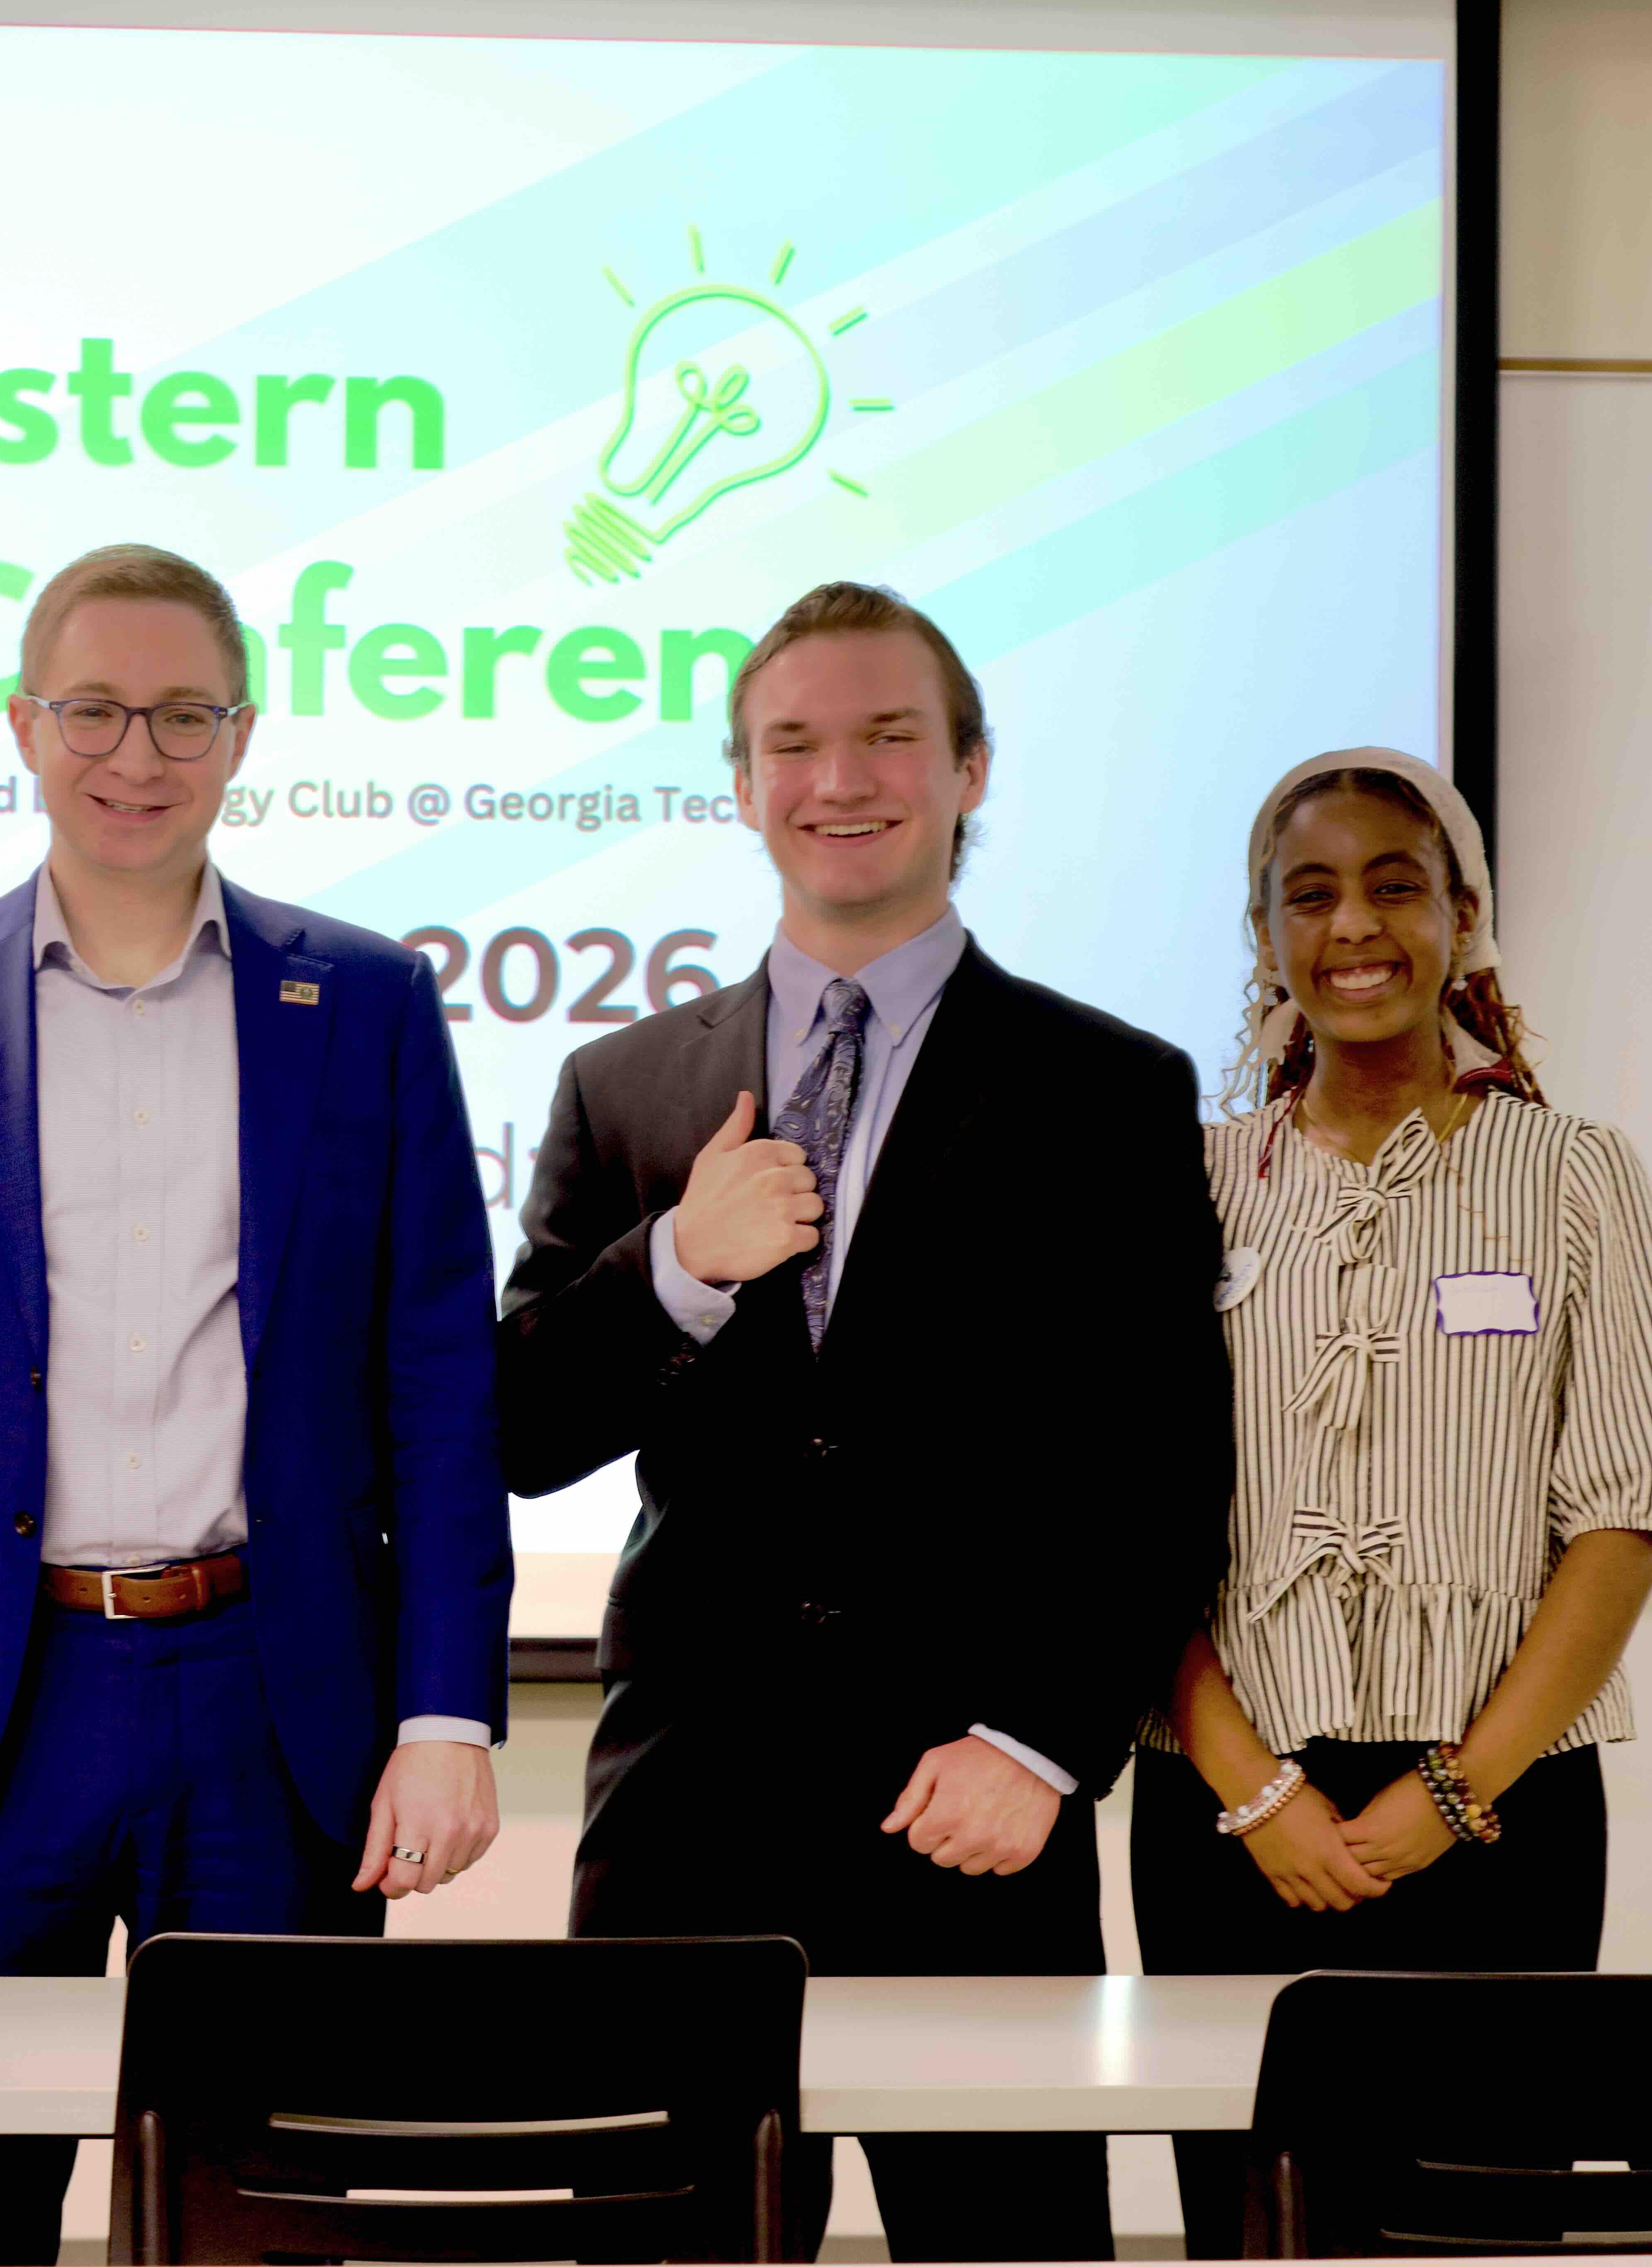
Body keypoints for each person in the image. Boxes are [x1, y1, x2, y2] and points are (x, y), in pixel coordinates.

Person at [0, 544, 513, 2266]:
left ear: (245, 734)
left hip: (274, 1697)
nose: (136, 754)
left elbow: (440, 1380)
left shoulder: (368, 1002)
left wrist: (450, 1714)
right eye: (94, 709)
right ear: (24, 724)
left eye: (182, 715)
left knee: (263, 2215)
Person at [495, 581, 1232, 2264]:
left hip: (969, 1809)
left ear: (971, 769)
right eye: (794, 745)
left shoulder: (1109, 1086)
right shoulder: (627, 1086)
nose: (842, 778)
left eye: (891, 736)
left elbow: (1167, 1460)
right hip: (687, 1813)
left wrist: (1045, 1740)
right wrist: (678, 1261)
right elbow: (521, 1427)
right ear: (743, 786)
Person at [1133, 748, 1652, 2255]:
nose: (1352, 928)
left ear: (1464, 917)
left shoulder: (1576, 1175)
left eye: (1395, 885)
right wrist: (1252, 1791)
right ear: (1262, 937)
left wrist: (1448, 1802)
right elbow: (1128, 1522)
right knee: (1254, 2230)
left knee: (1482, 2229)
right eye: (1306, 896)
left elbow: (1626, 1511)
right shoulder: (1183, 1186)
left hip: (1500, 1813)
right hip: (1228, 1810)